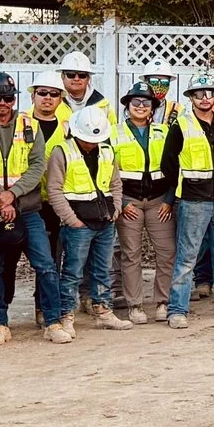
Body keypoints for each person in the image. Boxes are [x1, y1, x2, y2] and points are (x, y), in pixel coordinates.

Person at [0, 73, 56, 346]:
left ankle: (53, 320)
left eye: (8, 98)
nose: (3, 103)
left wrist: (12, 195)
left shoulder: (29, 124)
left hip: (29, 208)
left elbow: (37, 166)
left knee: (45, 264)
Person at [164, 72, 214, 329]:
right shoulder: (181, 125)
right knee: (187, 258)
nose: (205, 98)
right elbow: (168, 163)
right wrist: (188, 185)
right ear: (191, 97)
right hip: (193, 200)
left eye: (210, 93)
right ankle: (177, 310)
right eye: (199, 94)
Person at [47, 104, 130, 337]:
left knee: (104, 270)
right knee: (72, 272)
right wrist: (72, 220)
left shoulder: (106, 150)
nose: (91, 143)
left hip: (105, 221)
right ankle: (66, 315)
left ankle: (103, 312)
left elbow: (115, 182)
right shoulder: (61, 151)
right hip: (78, 225)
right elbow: (54, 189)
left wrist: (116, 209)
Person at [110, 85, 176, 324]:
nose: (140, 106)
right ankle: (135, 305)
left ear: (153, 107)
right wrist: (122, 202)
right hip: (130, 204)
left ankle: (163, 302)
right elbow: (107, 170)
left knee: (167, 253)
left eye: (146, 102)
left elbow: (174, 167)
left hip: (160, 202)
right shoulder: (114, 133)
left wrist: (169, 201)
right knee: (131, 255)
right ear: (127, 105)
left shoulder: (164, 131)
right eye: (135, 102)